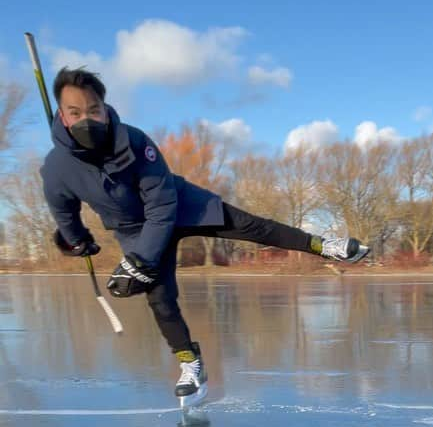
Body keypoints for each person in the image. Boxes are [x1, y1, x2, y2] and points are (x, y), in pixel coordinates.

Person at [41, 67, 370, 404]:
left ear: (104, 107)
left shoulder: (135, 142)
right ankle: (191, 366)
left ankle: (324, 246)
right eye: (75, 112)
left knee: (253, 226)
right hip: (134, 231)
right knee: (160, 299)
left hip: (180, 205)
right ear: (63, 116)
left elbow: (162, 203)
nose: (87, 119)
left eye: (93, 110)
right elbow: (63, 210)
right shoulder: (56, 168)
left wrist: (140, 260)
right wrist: (76, 240)